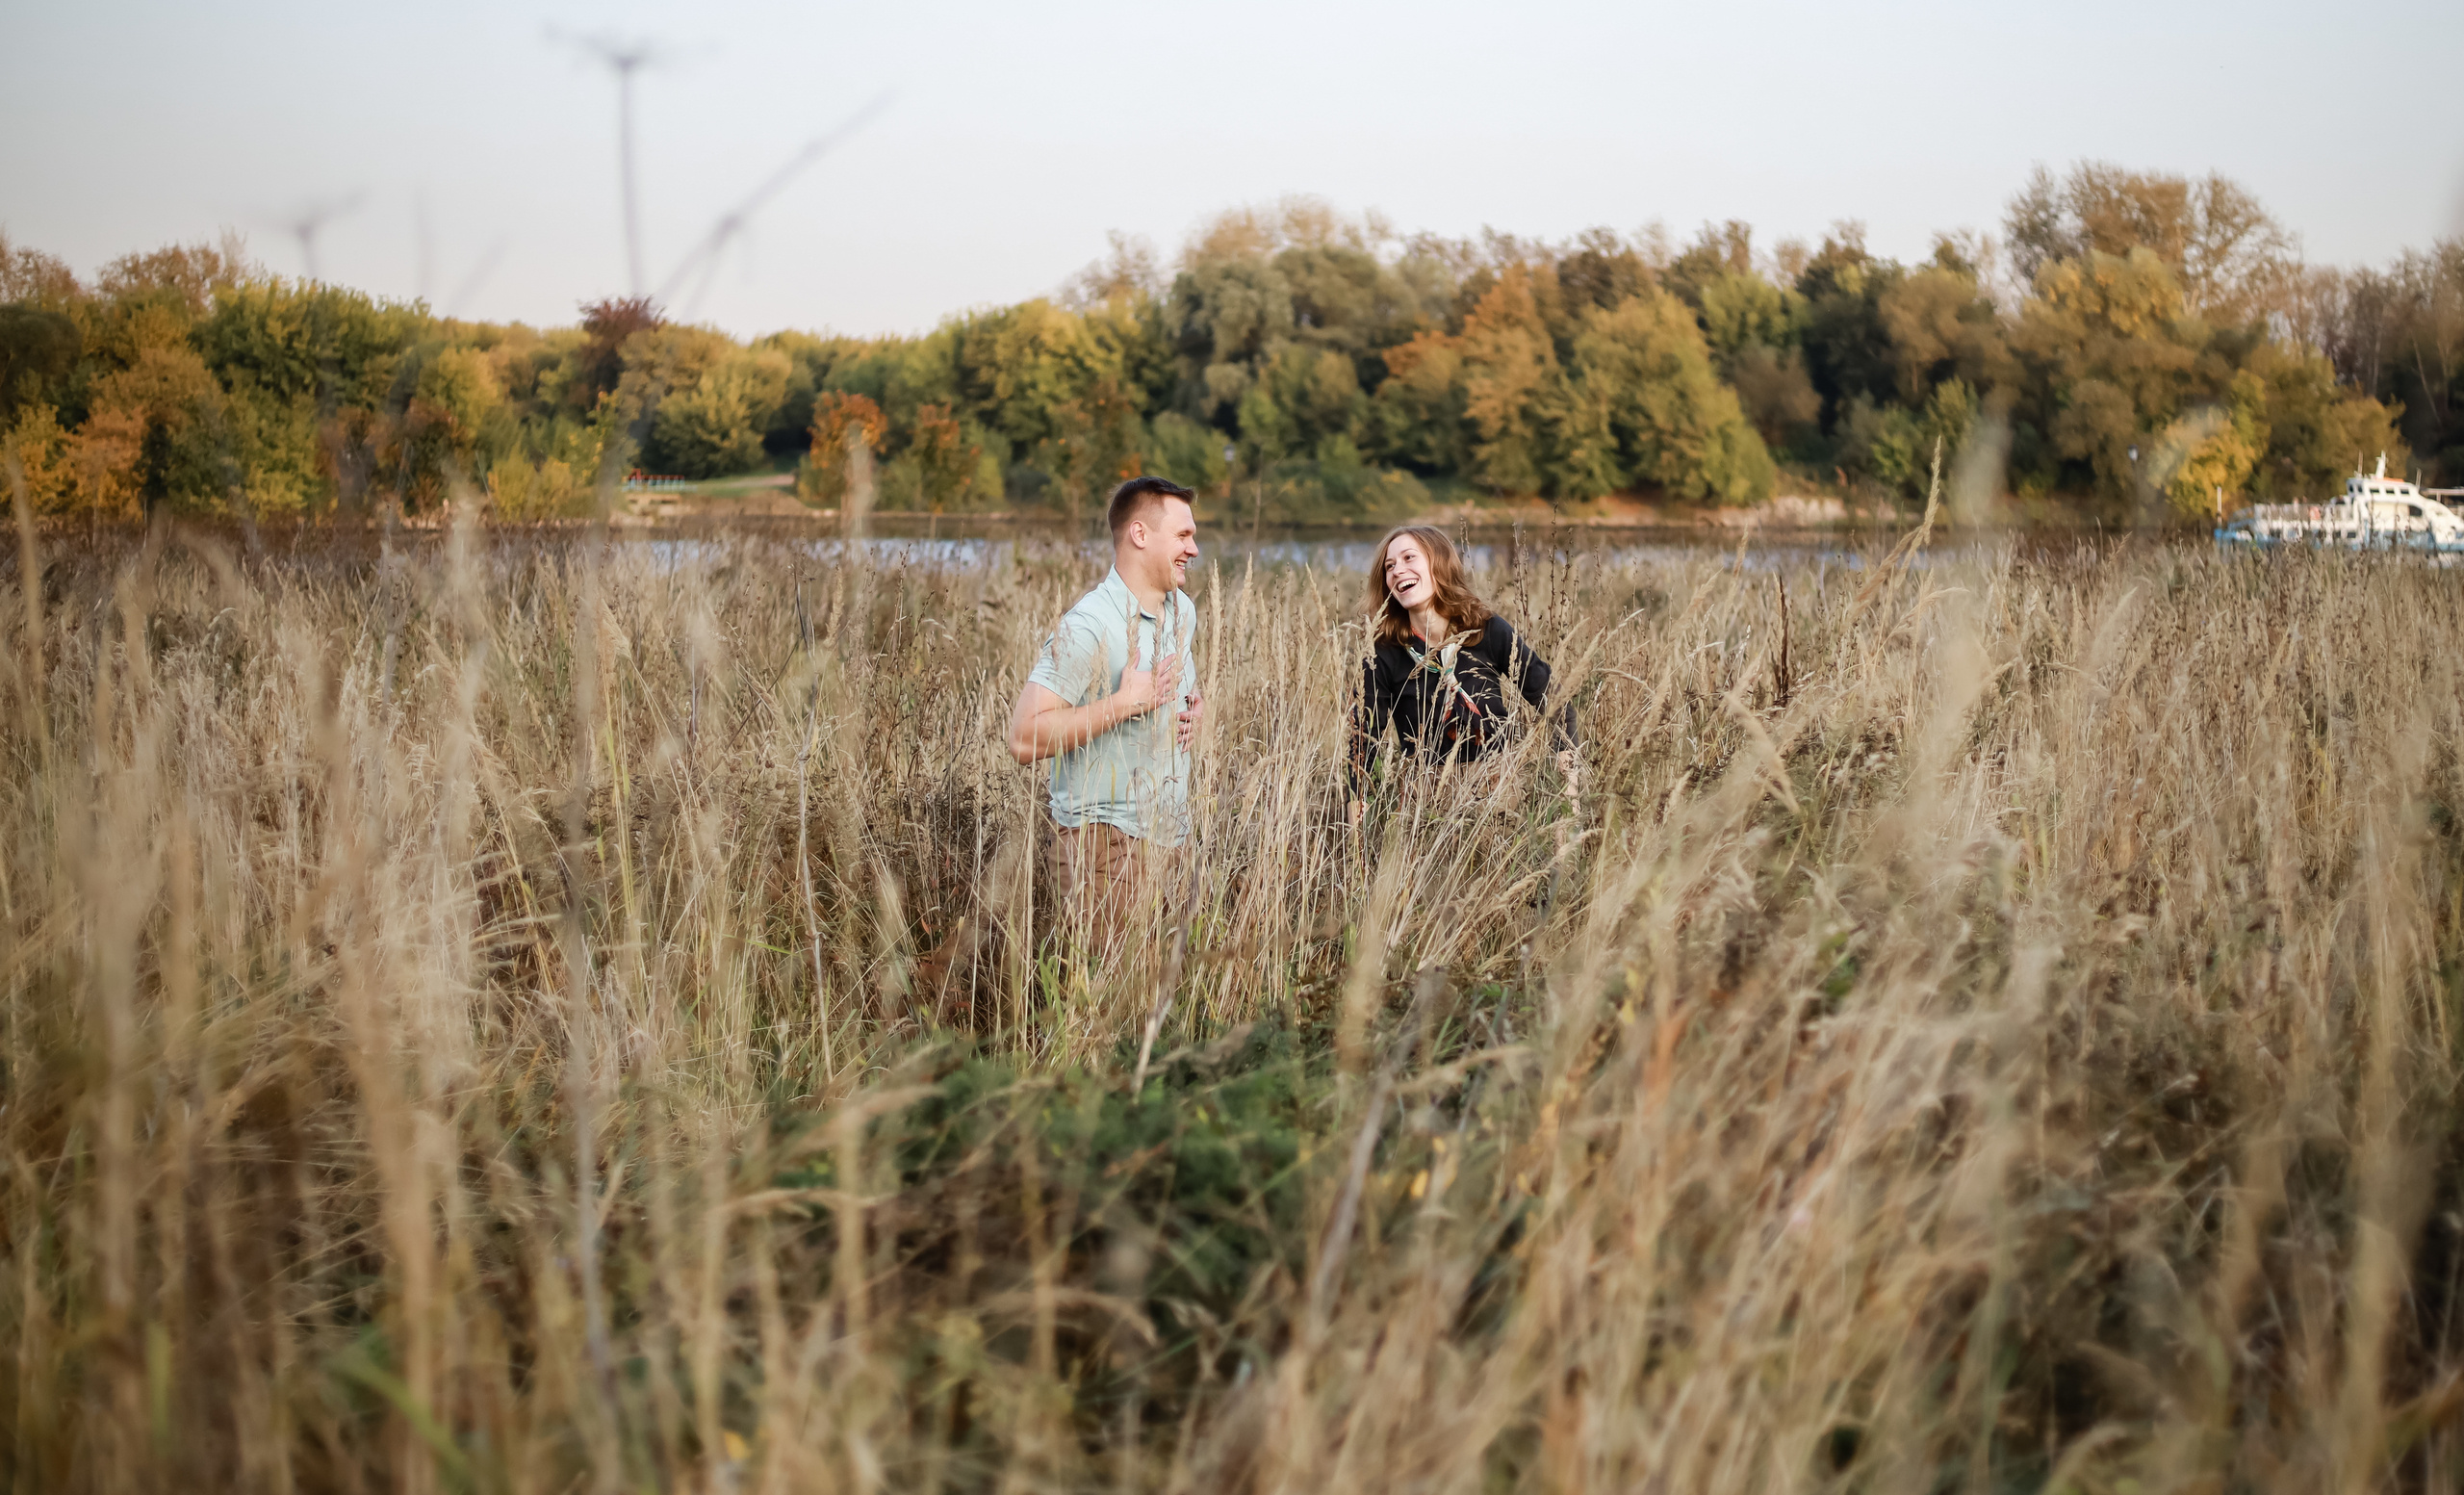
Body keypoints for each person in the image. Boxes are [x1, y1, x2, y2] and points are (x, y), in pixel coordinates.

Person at [1003, 476, 1205, 956]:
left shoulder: (1182, 611)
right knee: (1108, 1008)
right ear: (1140, 535)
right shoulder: (1088, 625)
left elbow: (1179, 692)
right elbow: (1024, 739)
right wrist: (1118, 705)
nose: (1194, 550)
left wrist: (1196, 710)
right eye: (1183, 536)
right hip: (1102, 846)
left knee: (1160, 1007)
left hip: (1172, 838)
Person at [1347, 525, 1575, 824]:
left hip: (1498, 787)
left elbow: (1554, 700)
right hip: (1425, 798)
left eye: (1408, 558)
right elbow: (1364, 740)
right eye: (1389, 566)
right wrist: (1356, 805)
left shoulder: (1484, 629)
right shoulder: (1383, 650)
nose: (1398, 570)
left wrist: (1568, 776)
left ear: (1438, 563)